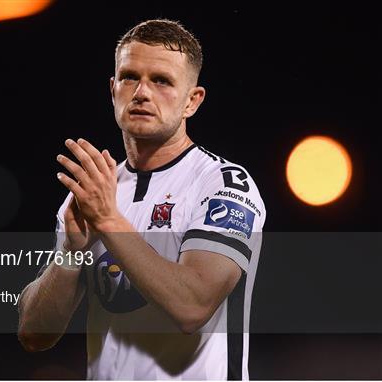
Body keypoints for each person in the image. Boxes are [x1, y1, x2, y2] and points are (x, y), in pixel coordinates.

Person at [18, 19, 266, 380]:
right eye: (129, 77)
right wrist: (70, 252)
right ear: (112, 88)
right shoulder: (99, 189)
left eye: (161, 80)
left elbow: (192, 306)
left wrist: (109, 222)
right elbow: (35, 335)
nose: (141, 93)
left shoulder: (225, 185)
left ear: (192, 102)